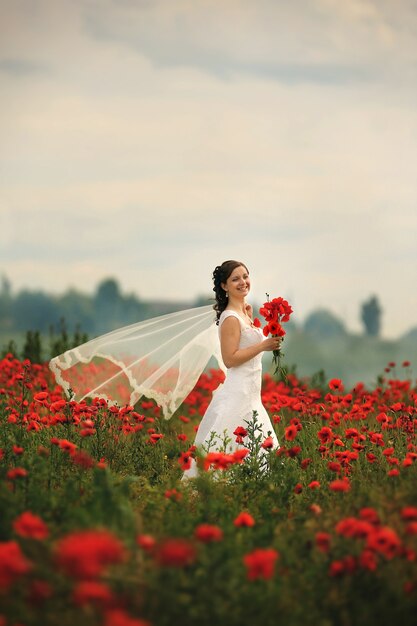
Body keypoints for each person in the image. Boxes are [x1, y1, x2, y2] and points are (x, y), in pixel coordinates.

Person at [182, 260, 281, 480]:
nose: (243, 282)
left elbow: (244, 342)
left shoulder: (243, 313)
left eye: (245, 276)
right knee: (226, 451)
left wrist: (251, 318)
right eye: (235, 279)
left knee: (258, 453)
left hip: (252, 396)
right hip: (238, 394)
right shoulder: (230, 318)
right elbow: (230, 359)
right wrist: (264, 345)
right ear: (225, 286)